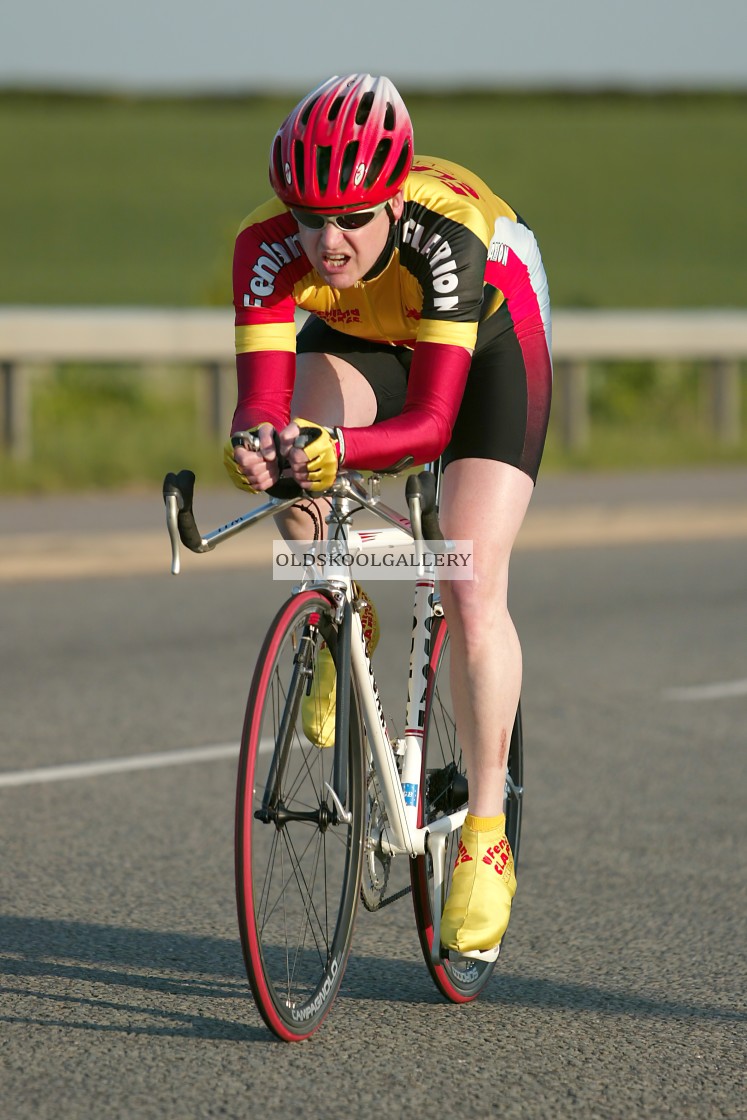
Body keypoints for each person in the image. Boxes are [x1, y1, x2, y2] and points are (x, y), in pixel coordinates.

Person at [225, 74, 552, 962]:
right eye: (307, 216)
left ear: (394, 200)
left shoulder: (447, 235)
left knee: (466, 569)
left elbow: (432, 428)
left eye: (352, 219)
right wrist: (258, 446)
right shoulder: (265, 246)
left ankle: (484, 827)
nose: (325, 242)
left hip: (481, 348)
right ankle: (344, 610)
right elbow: (261, 400)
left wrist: (342, 450)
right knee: (292, 445)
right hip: (369, 339)